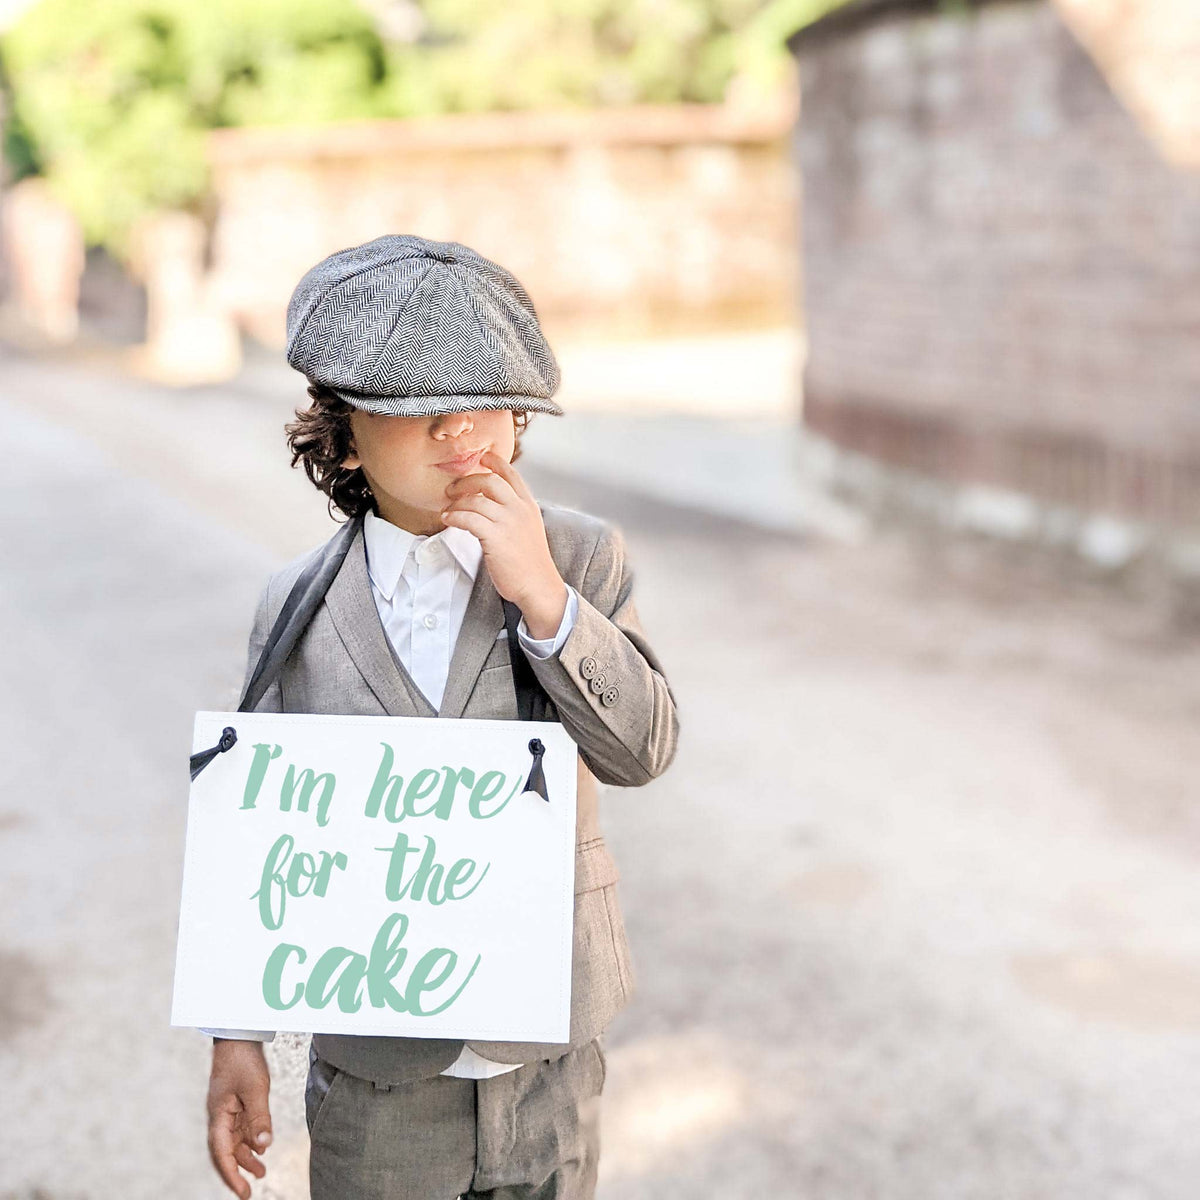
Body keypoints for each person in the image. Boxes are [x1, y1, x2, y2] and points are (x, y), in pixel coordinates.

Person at [200, 234, 681, 1200]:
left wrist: (543, 598)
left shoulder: (580, 558)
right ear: (341, 435)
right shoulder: (293, 607)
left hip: (548, 1052)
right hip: (376, 1079)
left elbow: (643, 750)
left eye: (484, 398)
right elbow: (258, 835)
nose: (460, 429)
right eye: (417, 407)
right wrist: (234, 1033)